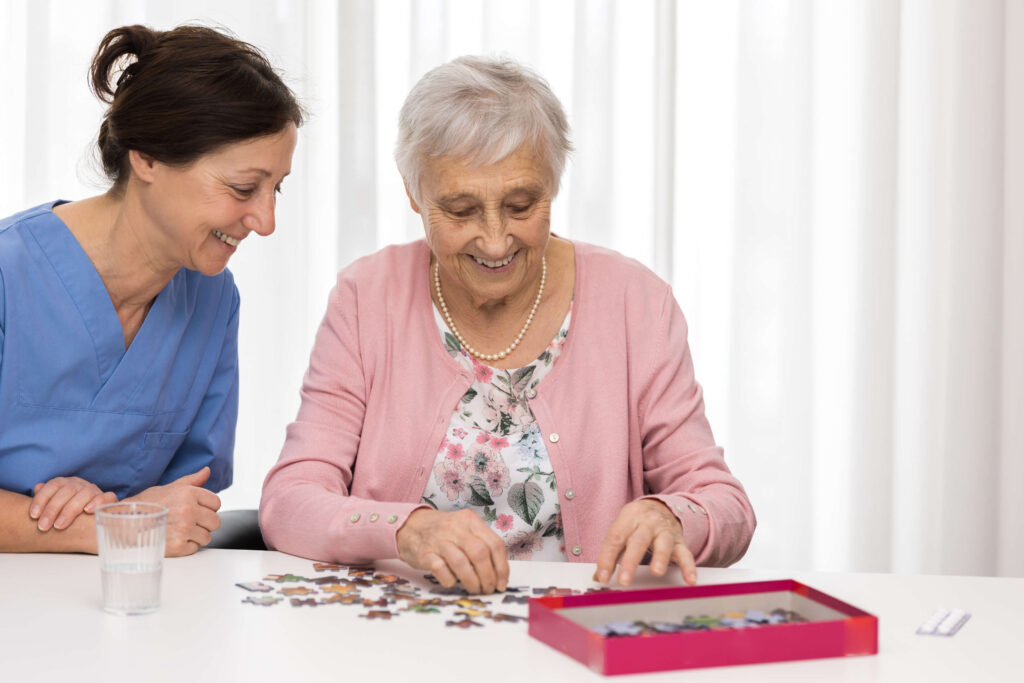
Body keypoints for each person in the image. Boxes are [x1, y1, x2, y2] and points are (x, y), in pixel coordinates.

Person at [260, 56, 754, 593]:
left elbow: (725, 504)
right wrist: (405, 530)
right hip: (400, 641)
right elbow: (291, 499)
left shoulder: (636, 301)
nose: (495, 241)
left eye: (521, 205)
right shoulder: (365, 298)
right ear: (413, 192)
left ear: (554, 186)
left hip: (576, 638)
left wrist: (673, 515)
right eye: (461, 210)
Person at [0, 24, 302, 556]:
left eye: (275, 188)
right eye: (242, 188)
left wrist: (115, 512)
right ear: (147, 159)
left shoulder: (213, 302)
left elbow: (186, 505)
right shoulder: (9, 276)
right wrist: (106, 523)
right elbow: (149, 521)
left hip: (140, 607)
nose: (265, 220)